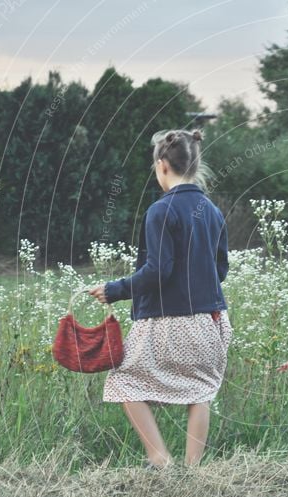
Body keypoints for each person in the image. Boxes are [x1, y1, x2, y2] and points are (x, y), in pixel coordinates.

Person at [88, 128, 232, 469]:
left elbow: (158, 271)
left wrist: (115, 289)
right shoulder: (212, 210)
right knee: (199, 391)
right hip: (211, 319)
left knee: (124, 382)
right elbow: (220, 270)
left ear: (162, 165)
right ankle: (193, 471)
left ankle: (159, 458)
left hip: (170, 322)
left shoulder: (160, 210)